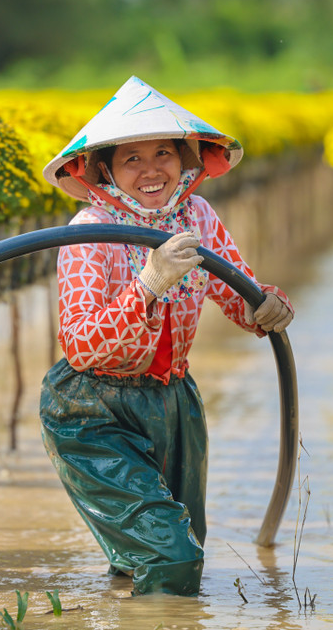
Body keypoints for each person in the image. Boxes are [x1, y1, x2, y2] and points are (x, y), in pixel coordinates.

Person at [39, 76, 293, 596]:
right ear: (103, 169)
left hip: (174, 402)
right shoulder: (89, 232)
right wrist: (149, 284)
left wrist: (268, 305)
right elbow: (81, 346)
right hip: (92, 410)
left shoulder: (196, 216)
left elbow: (238, 298)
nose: (151, 170)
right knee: (172, 555)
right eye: (132, 159)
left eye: (164, 153)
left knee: (164, 553)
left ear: (186, 160)